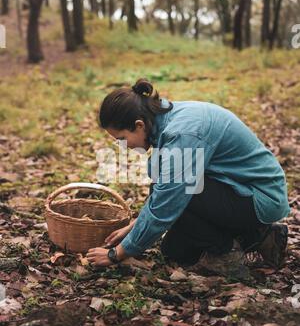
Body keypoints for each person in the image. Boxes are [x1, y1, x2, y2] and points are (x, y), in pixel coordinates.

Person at [86, 78, 289, 271]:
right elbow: (163, 189)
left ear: (139, 125)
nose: (124, 147)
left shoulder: (183, 133)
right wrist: (135, 226)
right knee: (175, 253)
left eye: (122, 139)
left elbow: (167, 203)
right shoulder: (162, 121)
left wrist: (116, 254)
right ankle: (258, 236)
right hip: (232, 190)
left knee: (174, 196)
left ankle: (227, 253)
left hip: (260, 197)